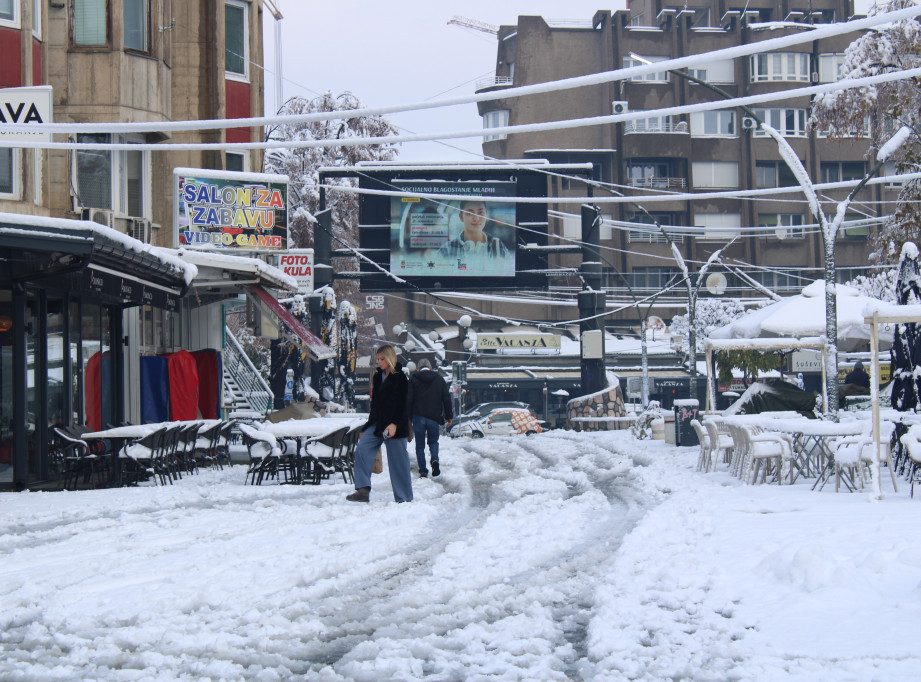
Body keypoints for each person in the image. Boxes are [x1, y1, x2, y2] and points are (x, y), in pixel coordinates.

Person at [346, 344, 413, 503]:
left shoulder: (400, 377)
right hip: (377, 424)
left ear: (390, 358)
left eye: (382, 359)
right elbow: (375, 404)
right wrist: (367, 426)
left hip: (396, 425)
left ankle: (404, 498)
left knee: (398, 462)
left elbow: (404, 404)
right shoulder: (377, 377)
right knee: (362, 449)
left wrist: (395, 424)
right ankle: (362, 491)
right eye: (378, 359)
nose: (380, 362)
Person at [407, 358, 453, 478]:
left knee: (420, 445)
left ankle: (423, 470)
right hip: (434, 416)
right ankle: (434, 459)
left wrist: (408, 417)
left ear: (418, 369)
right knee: (433, 441)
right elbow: (446, 398)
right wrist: (449, 416)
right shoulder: (439, 379)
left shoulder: (413, 380)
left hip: (418, 417)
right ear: (431, 368)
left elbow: (409, 400)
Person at [437, 200, 511, 260]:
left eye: (481, 213)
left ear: (486, 215)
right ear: (461, 217)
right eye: (469, 213)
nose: (476, 218)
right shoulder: (446, 250)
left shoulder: (497, 246)